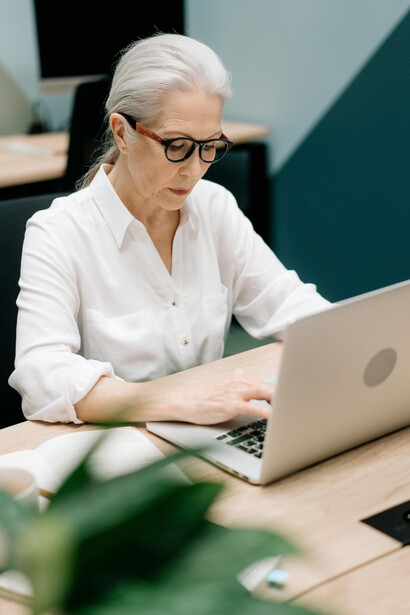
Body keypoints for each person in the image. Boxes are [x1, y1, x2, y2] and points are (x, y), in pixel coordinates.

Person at [9, 33, 330, 425]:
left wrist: (364, 344)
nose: (194, 170)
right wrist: (184, 403)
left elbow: (287, 302)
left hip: (208, 434)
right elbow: (42, 373)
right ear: (123, 132)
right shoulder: (58, 233)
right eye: (176, 145)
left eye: (210, 146)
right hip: (118, 456)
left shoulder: (215, 207)